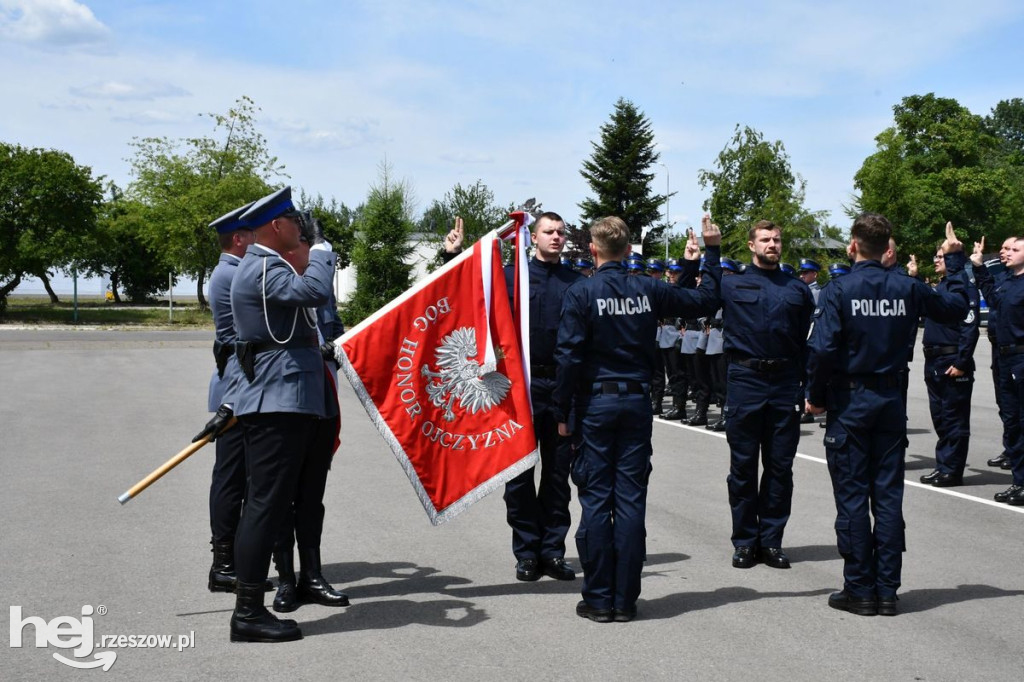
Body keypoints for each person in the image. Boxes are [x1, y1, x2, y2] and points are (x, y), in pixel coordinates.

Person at [554, 214, 722, 623]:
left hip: (596, 405)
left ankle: (598, 598)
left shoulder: (582, 292)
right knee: (629, 501)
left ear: (593, 250)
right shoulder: (646, 288)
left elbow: (568, 356)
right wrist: (710, 252)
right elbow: (704, 301)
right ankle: (625, 600)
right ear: (629, 250)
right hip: (635, 405)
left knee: (596, 500)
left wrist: (562, 412)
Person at [806, 216, 968, 617]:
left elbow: (823, 349)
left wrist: (814, 396)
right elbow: (956, 308)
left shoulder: (838, 289)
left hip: (851, 402)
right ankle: (887, 590)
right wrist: (956, 260)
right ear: (886, 248)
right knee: (889, 497)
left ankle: (860, 589)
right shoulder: (908, 287)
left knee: (853, 498)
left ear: (853, 245)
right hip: (891, 401)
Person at [444, 212, 584, 581]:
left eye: (560, 232)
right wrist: (453, 256)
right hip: (516, 389)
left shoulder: (577, 282)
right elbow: (466, 294)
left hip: (561, 389)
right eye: (548, 232)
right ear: (532, 238)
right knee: (518, 476)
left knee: (557, 476)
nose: (556, 237)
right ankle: (526, 551)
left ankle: (552, 551)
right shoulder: (511, 278)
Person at [226, 186, 337, 643]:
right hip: (277, 400)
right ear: (278, 226)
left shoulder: (263, 264)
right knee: (265, 506)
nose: (301, 229)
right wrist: (325, 252)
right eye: (295, 222)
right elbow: (312, 290)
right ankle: (248, 612)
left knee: (269, 504)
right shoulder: (263, 266)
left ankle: (253, 607)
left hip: (283, 396)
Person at [718, 220, 814, 571]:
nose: (772, 244)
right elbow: (694, 299)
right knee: (742, 467)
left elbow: (806, 341)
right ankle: (744, 542)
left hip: (784, 381)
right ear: (751, 245)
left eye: (776, 239)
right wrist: (702, 255)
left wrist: (807, 386)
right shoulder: (732, 284)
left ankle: (771, 541)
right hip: (745, 379)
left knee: (780, 468)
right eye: (765, 240)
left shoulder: (796, 289)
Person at [269, 223, 350, 614]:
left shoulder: (320, 288)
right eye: (308, 245)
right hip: (284, 404)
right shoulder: (276, 281)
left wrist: (338, 348)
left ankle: (312, 576)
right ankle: (285, 580)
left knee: (311, 496)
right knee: (281, 497)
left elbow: (332, 327)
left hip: (321, 400)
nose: (312, 252)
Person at [192, 201, 262, 595]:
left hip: (241, 386)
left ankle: (233, 559)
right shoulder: (232, 274)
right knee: (231, 479)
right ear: (239, 238)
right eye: (253, 234)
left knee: (241, 478)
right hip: (238, 390)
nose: (258, 240)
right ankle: (223, 565)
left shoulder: (233, 271)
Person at [918, 245, 980, 487]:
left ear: (953, 261)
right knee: (941, 419)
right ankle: (943, 465)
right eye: (935, 256)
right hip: (934, 360)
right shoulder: (941, 286)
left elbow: (969, 326)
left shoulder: (962, 286)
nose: (935, 260)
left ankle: (952, 471)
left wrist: (961, 362)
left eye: (941, 256)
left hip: (952, 360)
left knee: (954, 420)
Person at [971, 234, 1024, 505]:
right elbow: (991, 297)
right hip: (1004, 358)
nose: (1009, 252)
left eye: (1016, 249)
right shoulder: (1006, 282)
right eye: (1008, 248)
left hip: (1021, 358)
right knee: (1012, 421)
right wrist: (979, 267)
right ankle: (1019, 482)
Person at [985, 237, 1016, 470]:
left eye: (1010, 248)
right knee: (1005, 405)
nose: (1004, 252)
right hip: (1000, 348)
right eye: (1003, 248)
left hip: (1016, 351)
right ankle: (1011, 449)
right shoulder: (1001, 278)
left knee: (1016, 408)